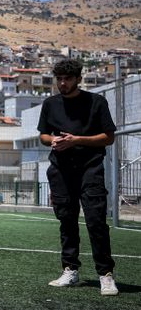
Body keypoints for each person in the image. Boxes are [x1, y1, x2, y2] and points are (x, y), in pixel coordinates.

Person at [38, 58, 118, 296]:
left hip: (90, 168)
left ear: (78, 79)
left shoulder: (96, 102)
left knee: (96, 220)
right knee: (67, 220)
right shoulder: (50, 104)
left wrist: (77, 140)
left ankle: (105, 275)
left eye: (67, 79)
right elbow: (43, 134)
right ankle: (70, 269)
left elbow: (108, 137)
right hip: (61, 170)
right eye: (59, 79)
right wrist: (53, 140)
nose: (62, 83)